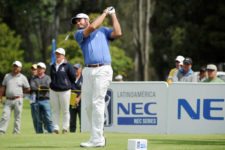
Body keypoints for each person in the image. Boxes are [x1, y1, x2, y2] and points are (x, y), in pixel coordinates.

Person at [72, 6, 122, 147]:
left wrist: (113, 15)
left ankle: (97, 139)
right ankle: (98, 136)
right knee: (87, 106)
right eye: (76, 21)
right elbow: (93, 27)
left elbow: (118, 33)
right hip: (88, 71)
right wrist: (105, 13)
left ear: (86, 19)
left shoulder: (103, 31)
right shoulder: (79, 34)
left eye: (80, 20)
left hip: (103, 69)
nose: (78, 23)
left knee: (97, 102)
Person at [49, 48, 76, 134]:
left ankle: (65, 128)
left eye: (59, 54)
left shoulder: (68, 65)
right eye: (56, 54)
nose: (57, 56)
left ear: (63, 56)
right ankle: (55, 128)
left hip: (65, 91)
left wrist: (67, 85)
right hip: (53, 90)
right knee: (55, 110)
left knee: (65, 110)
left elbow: (73, 77)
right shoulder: (52, 66)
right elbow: (51, 77)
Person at [0, 61, 30, 134]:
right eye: (14, 66)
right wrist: (0, 97)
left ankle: (16, 132)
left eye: (17, 66)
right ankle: (1, 131)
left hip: (18, 99)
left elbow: (28, 88)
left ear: (20, 68)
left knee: (17, 117)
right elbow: (3, 87)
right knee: (5, 115)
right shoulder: (7, 76)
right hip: (8, 99)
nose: (15, 68)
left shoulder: (23, 77)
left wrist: (21, 93)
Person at [30, 62, 54, 133]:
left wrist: (40, 88)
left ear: (44, 69)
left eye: (41, 68)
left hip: (45, 100)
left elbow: (48, 86)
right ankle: (39, 134)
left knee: (48, 117)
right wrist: (41, 88)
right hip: (36, 100)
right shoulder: (33, 78)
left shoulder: (48, 77)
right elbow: (33, 87)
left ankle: (51, 132)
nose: (39, 69)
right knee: (38, 119)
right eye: (38, 68)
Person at [69, 63, 83, 133]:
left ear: (81, 69)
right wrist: (73, 98)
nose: (75, 70)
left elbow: (85, 90)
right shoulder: (70, 78)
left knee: (82, 119)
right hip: (72, 99)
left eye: (77, 69)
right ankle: (72, 133)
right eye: (74, 69)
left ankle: (82, 133)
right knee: (72, 119)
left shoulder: (84, 78)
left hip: (82, 102)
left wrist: (79, 98)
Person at [29, 64, 40, 133]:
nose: (33, 71)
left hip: (41, 99)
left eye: (35, 69)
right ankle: (37, 132)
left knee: (41, 117)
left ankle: (43, 131)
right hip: (32, 99)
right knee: (34, 117)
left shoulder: (41, 78)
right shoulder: (31, 78)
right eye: (32, 69)